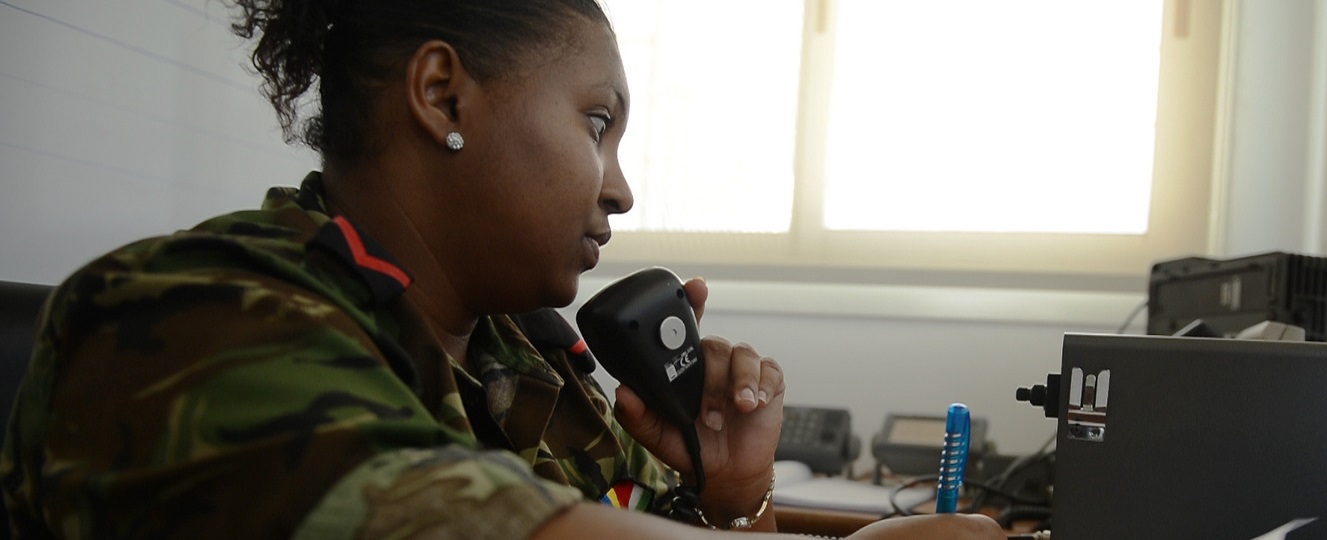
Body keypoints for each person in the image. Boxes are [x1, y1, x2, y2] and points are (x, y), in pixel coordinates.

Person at [0, 1, 1007, 538]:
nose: (619, 191)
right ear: (442, 95)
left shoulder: (528, 352)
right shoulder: (190, 316)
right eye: (598, 125)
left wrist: (732, 494)